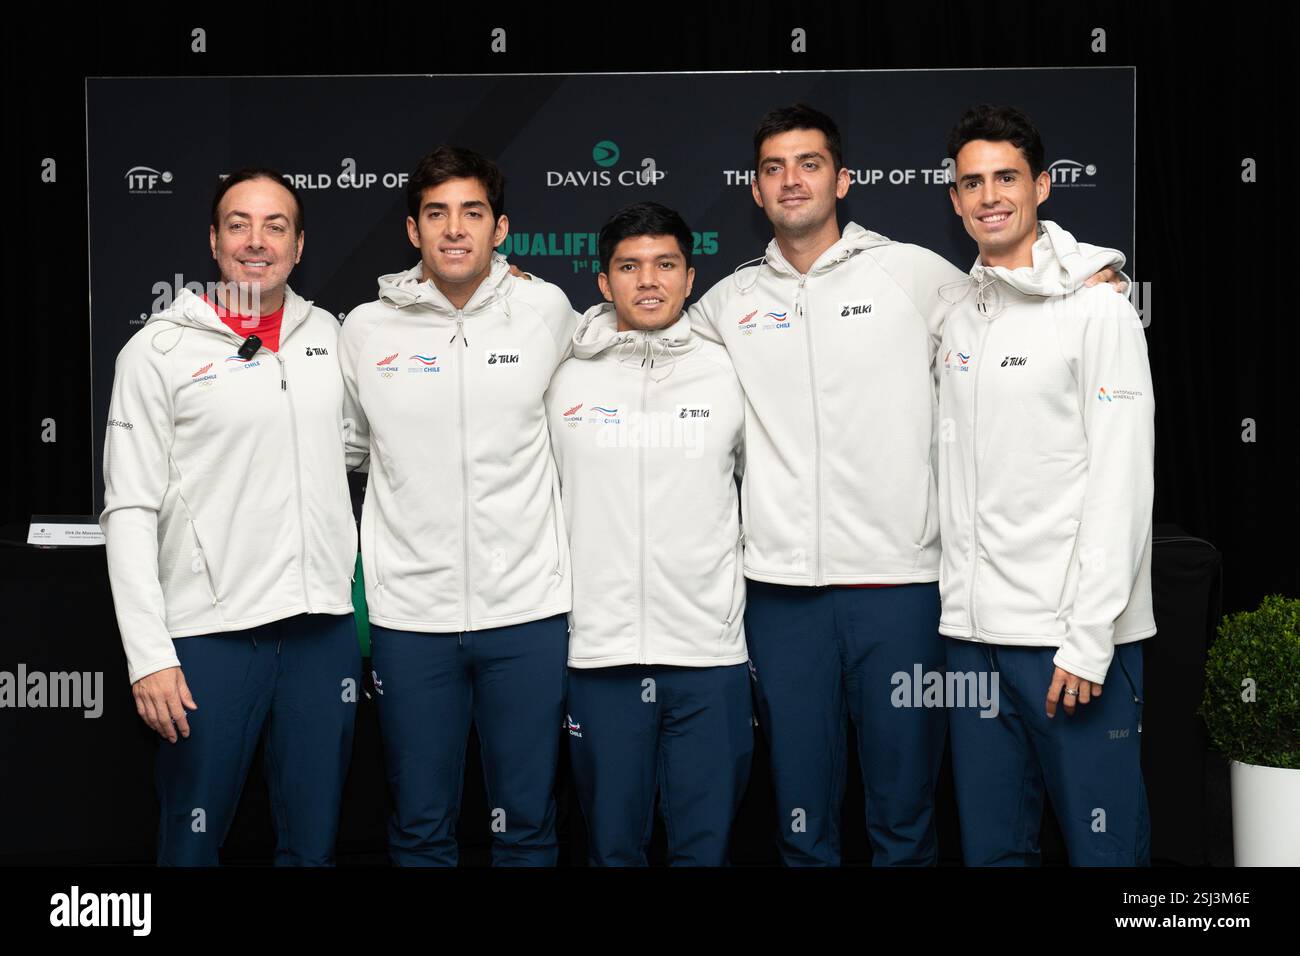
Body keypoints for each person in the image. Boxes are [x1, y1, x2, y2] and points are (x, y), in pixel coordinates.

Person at [689, 103, 1125, 866]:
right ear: (754, 191)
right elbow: (641, 338)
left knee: (904, 814)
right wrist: (547, 308)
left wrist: (1091, 270)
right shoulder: (727, 304)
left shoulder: (917, 275)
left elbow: (1016, 297)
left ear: (843, 180)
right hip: (781, 598)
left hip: (903, 593)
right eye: (774, 169)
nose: (792, 180)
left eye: (811, 163)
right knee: (800, 820)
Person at [101, 168, 361, 866]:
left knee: (313, 848)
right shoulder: (157, 351)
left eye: (276, 225)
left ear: (300, 245)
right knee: (189, 848)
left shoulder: (331, 338)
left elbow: (369, 445)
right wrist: (150, 655)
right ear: (214, 242)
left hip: (321, 633)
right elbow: (127, 508)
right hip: (209, 636)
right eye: (239, 224)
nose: (257, 241)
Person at [339, 146, 577, 866]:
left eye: (471, 212)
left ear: (499, 227)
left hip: (528, 613)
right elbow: (345, 456)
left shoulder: (548, 311)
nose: (453, 229)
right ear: (413, 230)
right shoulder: (363, 329)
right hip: (411, 619)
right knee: (420, 828)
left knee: (528, 826)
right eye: (436, 214)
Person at [938, 104, 1155, 866]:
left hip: (1068, 642)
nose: (989, 196)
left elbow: (1122, 482)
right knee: (992, 852)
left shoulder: (1100, 309)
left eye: (1006, 177)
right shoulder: (959, 311)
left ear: (1043, 186)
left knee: (1105, 856)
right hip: (972, 643)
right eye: (972, 183)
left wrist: (1090, 639)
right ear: (956, 199)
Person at [546, 202, 751, 865]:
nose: (649, 282)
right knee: (611, 850)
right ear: (603, 282)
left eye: (665, 265)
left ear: (690, 279)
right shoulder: (560, 370)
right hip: (599, 655)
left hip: (709, 654)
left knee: (705, 852)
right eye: (629, 267)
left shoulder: (731, 369)